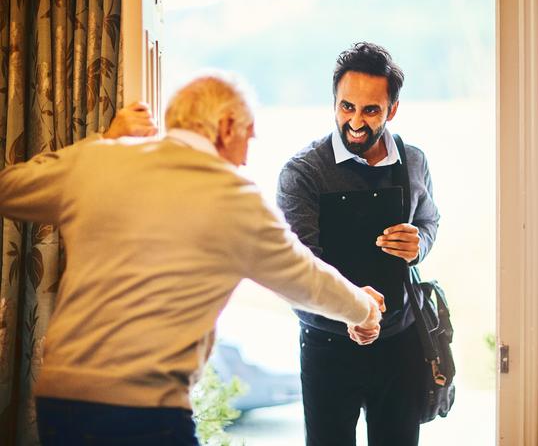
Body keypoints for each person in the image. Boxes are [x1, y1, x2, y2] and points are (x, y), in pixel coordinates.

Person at [0, 73, 386, 445]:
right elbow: (308, 280)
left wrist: (105, 140)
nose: (246, 159)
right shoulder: (234, 198)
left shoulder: (99, 160)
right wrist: (365, 309)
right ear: (227, 126)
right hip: (144, 410)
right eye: (248, 139)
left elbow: (10, 188)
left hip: (59, 402)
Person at [277, 42, 440, 446]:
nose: (355, 121)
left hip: (400, 344)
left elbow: (430, 220)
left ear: (392, 110)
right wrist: (352, 312)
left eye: (370, 110)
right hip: (328, 345)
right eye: (346, 107)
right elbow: (297, 270)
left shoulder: (414, 160)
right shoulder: (302, 174)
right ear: (334, 102)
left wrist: (418, 242)